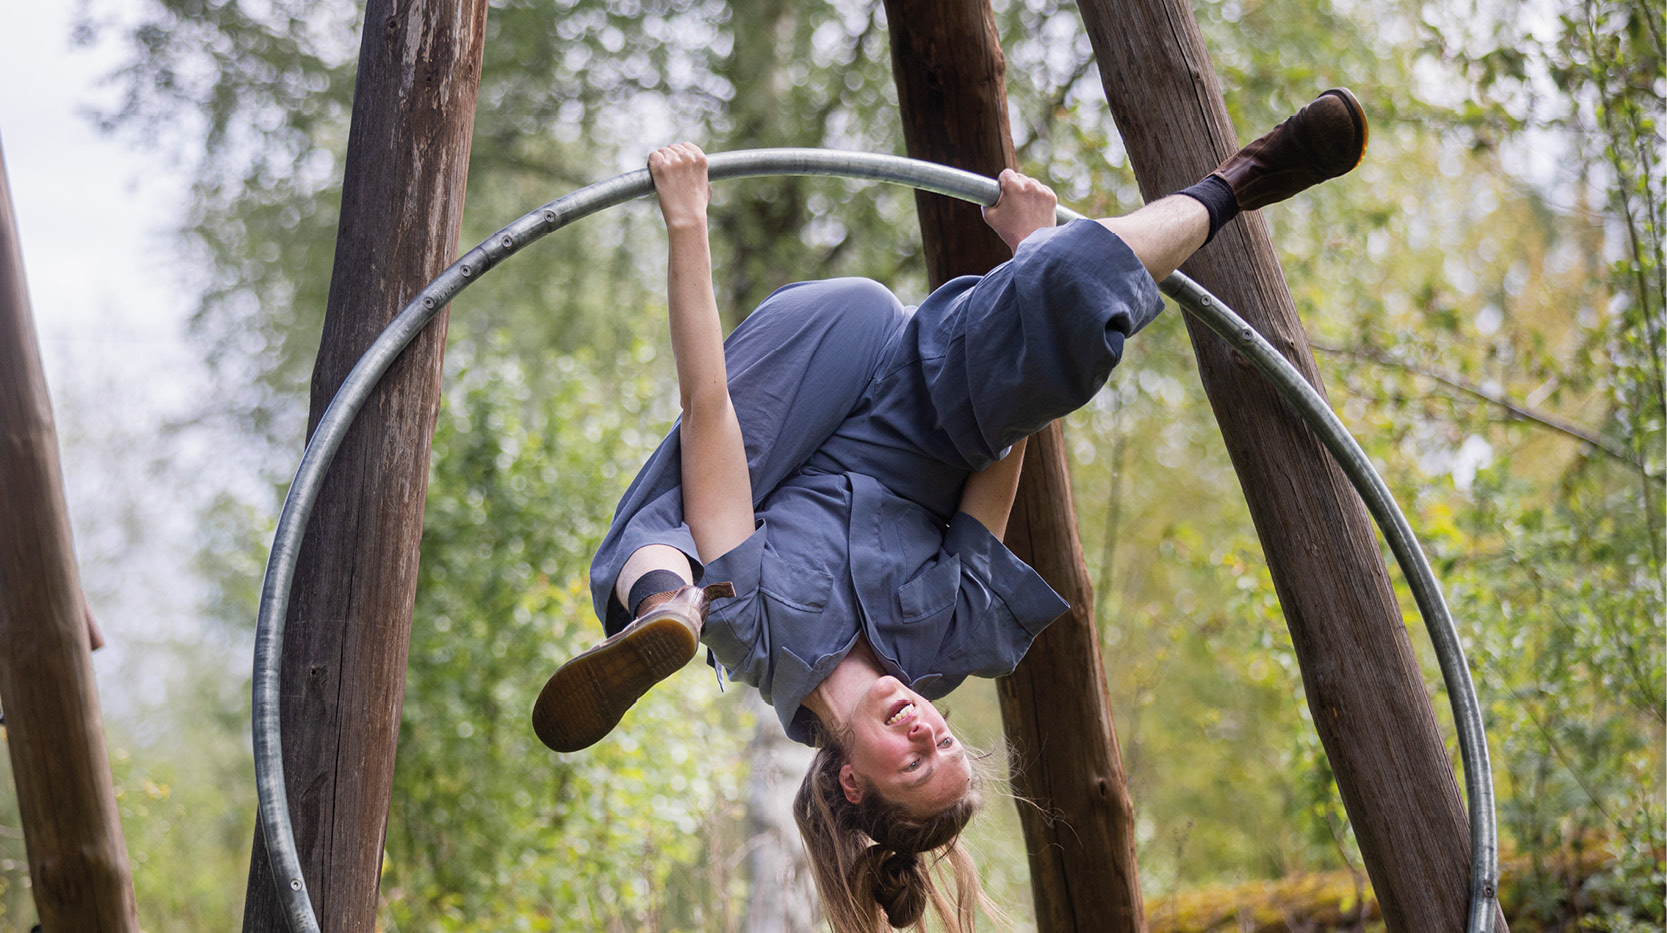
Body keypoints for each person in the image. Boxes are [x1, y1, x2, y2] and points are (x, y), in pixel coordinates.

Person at [532, 89, 1369, 932]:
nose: (926, 730)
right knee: (1067, 305)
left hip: (802, 377)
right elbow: (1000, 449)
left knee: (681, 511)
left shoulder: (760, 635)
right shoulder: (944, 643)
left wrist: (687, 224)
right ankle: (1241, 181)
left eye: (911, 760)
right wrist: (1032, 260)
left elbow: (709, 410)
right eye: (944, 743)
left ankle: (661, 594)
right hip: (920, 388)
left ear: (851, 778)